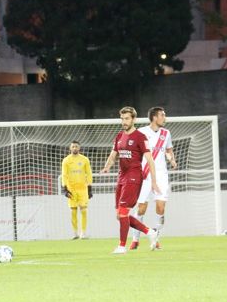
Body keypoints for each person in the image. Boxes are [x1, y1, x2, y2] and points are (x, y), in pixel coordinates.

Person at [101, 106, 160, 254]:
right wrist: (107, 167)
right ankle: (150, 232)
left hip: (134, 177)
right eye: (122, 119)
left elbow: (150, 160)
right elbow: (113, 154)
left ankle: (122, 246)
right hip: (121, 177)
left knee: (123, 212)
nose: (124, 122)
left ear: (133, 119)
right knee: (120, 215)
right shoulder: (119, 136)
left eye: (127, 119)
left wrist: (153, 181)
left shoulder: (140, 137)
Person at [131, 107, 177, 250]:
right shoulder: (141, 132)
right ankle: (135, 239)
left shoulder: (166, 133)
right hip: (145, 175)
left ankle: (156, 238)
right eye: (162, 115)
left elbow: (168, 150)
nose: (165, 117)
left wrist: (171, 159)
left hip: (161, 175)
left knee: (161, 206)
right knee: (141, 208)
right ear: (154, 117)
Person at [61, 141, 93, 239]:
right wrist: (65, 188)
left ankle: (83, 233)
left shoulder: (84, 159)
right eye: (73, 146)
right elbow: (64, 174)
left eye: (76, 146)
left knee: (83, 210)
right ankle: (75, 233)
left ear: (79, 148)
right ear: (70, 148)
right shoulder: (66, 160)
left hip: (83, 188)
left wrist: (89, 187)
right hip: (72, 189)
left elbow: (89, 173)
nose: (74, 148)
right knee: (73, 211)